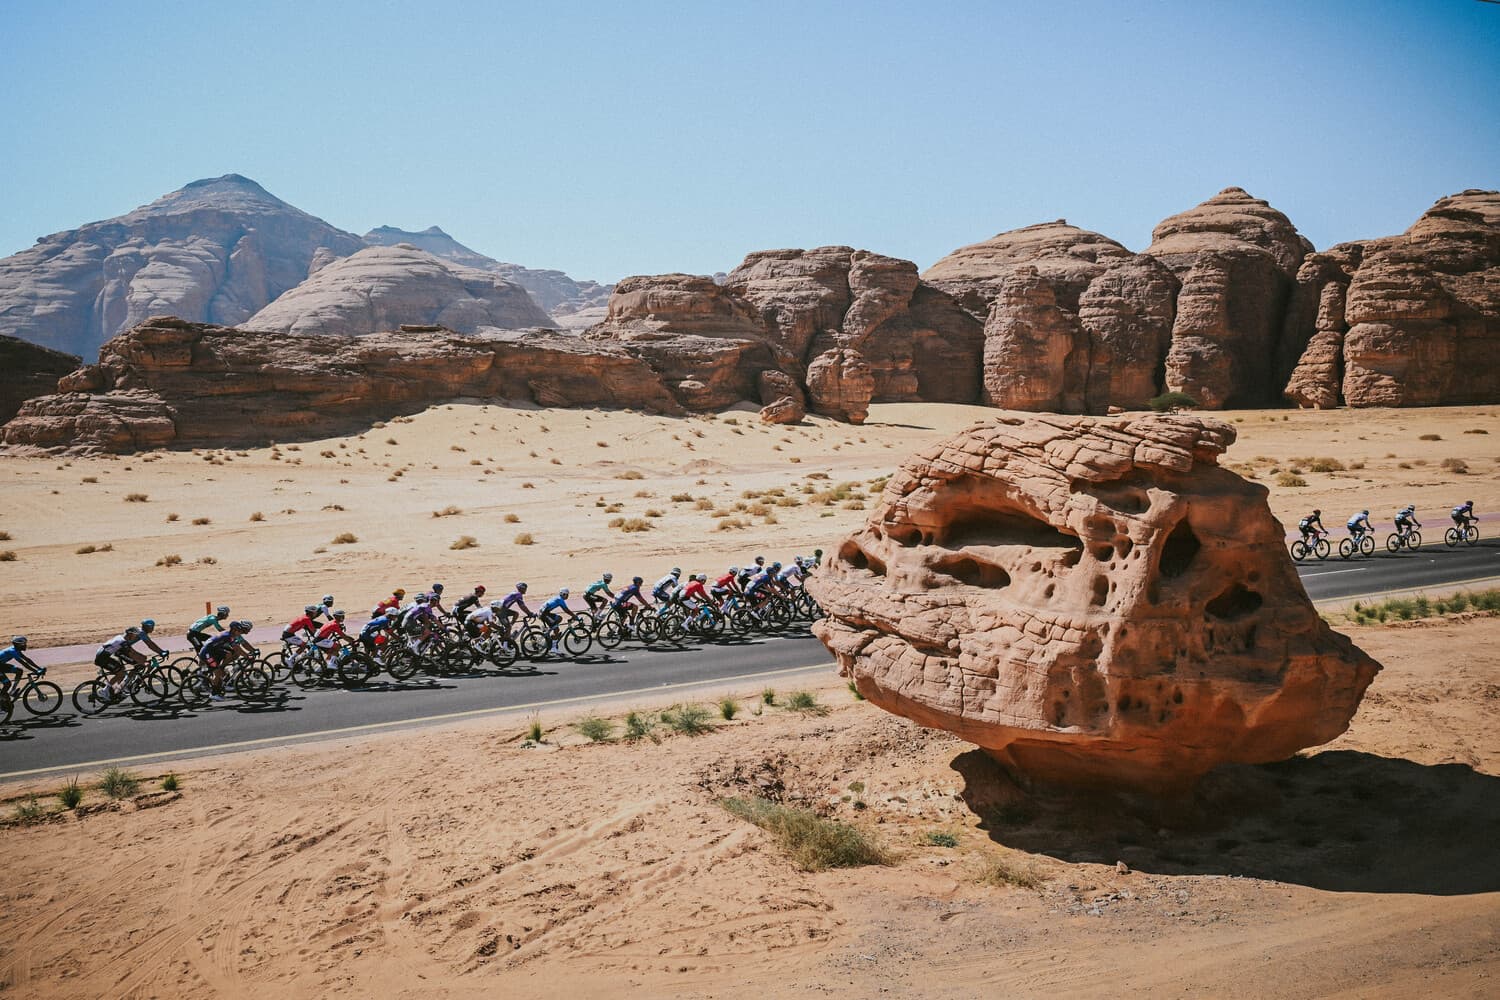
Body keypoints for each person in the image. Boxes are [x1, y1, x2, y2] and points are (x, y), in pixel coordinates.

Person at [199, 620, 254, 700]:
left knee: (229, 654)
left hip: (214, 650)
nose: (240, 632)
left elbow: (236, 649)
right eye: (239, 631)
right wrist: (247, 656)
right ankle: (213, 693)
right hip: (207, 653)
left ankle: (221, 672)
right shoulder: (228, 636)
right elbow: (238, 649)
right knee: (217, 672)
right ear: (234, 630)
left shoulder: (229, 634)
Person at [538, 589, 572, 653]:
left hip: (545, 612)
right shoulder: (560, 600)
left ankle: (550, 631)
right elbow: (566, 610)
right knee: (556, 629)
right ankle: (553, 648)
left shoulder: (557, 598)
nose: (568, 596)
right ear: (564, 594)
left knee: (559, 618)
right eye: (567, 595)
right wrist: (574, 616)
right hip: (544, 614)